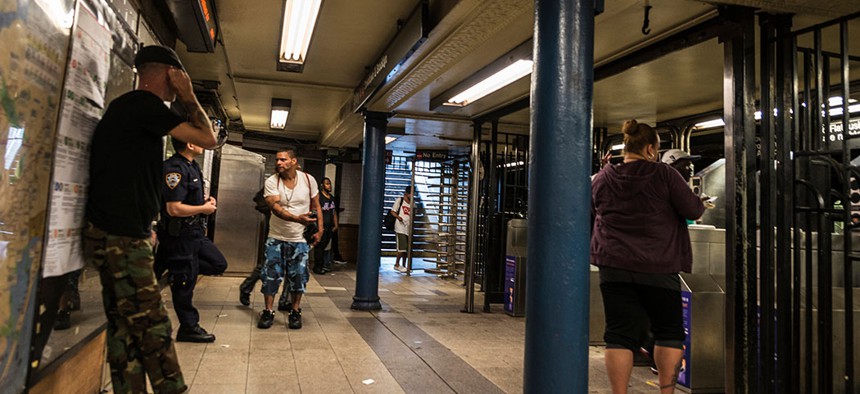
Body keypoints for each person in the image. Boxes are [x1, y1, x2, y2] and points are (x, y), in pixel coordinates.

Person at [83, 45, 216, 394]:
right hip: (122, 239)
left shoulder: (128, 109)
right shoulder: (144, 105)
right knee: (153, 326)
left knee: (124, 328)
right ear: (171, 73)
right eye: (179, 77)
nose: (180, 84)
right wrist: (188, 96)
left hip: (116, 233)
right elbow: (208, 137)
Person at [591, 120, 705, 394]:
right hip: (658, 266)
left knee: (619, 335)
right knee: (669, 332)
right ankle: (666, 392)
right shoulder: (665, 175)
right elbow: (693, 210)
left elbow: (591, 213)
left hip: (614, 266)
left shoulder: (604, 177)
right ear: (651, 149)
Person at [154, 137, 228, 343]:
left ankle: (177, 269)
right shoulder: (174, 169)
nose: (203, 143)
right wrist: (204, 209)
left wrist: (205, 202)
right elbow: (174, 208)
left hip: (194, 232)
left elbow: (189, 199)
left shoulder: (192, 166)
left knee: (218, 263)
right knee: (185, 283)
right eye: (199, 140)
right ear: (189, 144)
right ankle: (188, 327)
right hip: (180, 235)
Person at [257, 148, 323, 330]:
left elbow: (317, 206)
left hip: (300, 239)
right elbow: (276, 209)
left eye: (283, 160)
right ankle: (268, 311)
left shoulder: (308, 180)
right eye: (277, 160)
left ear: (293, 161)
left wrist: (321, 229)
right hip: (276, 238)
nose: (278, 163)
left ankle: (295, 311)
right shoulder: (272, 182)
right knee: (271, 276)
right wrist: (297, 218)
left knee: (299, 277)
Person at [238, 187, 291, 309]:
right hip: (274, 231)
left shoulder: (298, 185)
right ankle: (246, 287)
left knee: (291, 266)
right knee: (266, 264)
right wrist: (274, 210)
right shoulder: (274, 184)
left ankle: (285, 300)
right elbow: (259, 200)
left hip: (292, 232)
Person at [312, 177, 339, 274]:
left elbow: (334, 212)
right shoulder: (319, 197)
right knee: (319, 247)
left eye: (330, 184)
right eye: (327, 184)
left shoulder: (331, 198)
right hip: (321, 226)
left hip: (329, 227)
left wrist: (336, 224)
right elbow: (315, 211)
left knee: (324, 247)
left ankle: (323, 265)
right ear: (322, 186)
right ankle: (317, 267)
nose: (329, 186)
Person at [390, 185, 413, 272]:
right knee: (402, 247)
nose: (412, 196)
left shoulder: (412, 203)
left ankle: (404, 265)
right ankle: (397, 264)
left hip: (408, 228)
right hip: (400, 227)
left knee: (406, 249)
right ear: (406, 193)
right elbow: (392, 211)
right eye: (411, 194)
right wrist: (398, 217)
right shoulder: (400, 200)